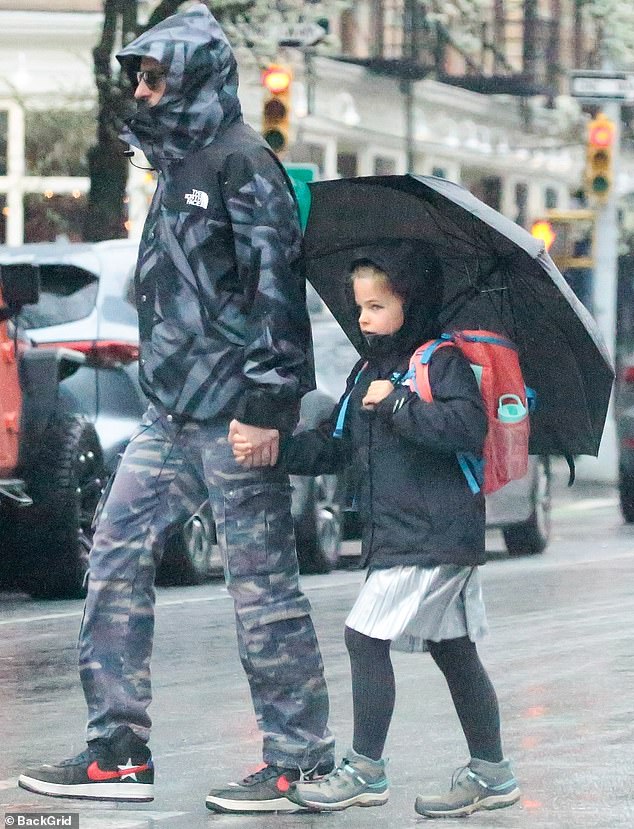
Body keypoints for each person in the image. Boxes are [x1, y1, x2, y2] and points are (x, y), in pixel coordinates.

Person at [18, 5, 334, 814]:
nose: (144, 93)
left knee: (262, 588)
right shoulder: (173, 169)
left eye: (156, 78)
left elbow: (277, 296)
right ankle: (118, 749)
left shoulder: (242, 165)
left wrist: (267, 405)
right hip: (167, 418)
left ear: (196, 78)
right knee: (115, 559)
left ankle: (301, 760)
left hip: (236, 417)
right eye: (139, 80)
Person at [230, 241, 521, 818]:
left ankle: (365, 770)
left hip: (433, 534)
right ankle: (491, 772)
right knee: (453, 649)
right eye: (360, 306)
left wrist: (397, 407)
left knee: (365, 638)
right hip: (406, 535)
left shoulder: (439, 362)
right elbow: (339, 446)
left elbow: (467, 428)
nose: (363, 319)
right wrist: (278, 450)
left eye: (376, 307)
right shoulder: (369, 371)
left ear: (410, 306)